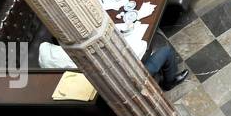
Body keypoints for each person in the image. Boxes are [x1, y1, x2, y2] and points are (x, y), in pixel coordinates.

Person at [38, 34, 189, 91]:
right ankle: (168, 83)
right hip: (129, 80)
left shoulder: (48, 54)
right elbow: (139, 47)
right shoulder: (94, 51)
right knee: (166, 51)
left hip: (103, 87)